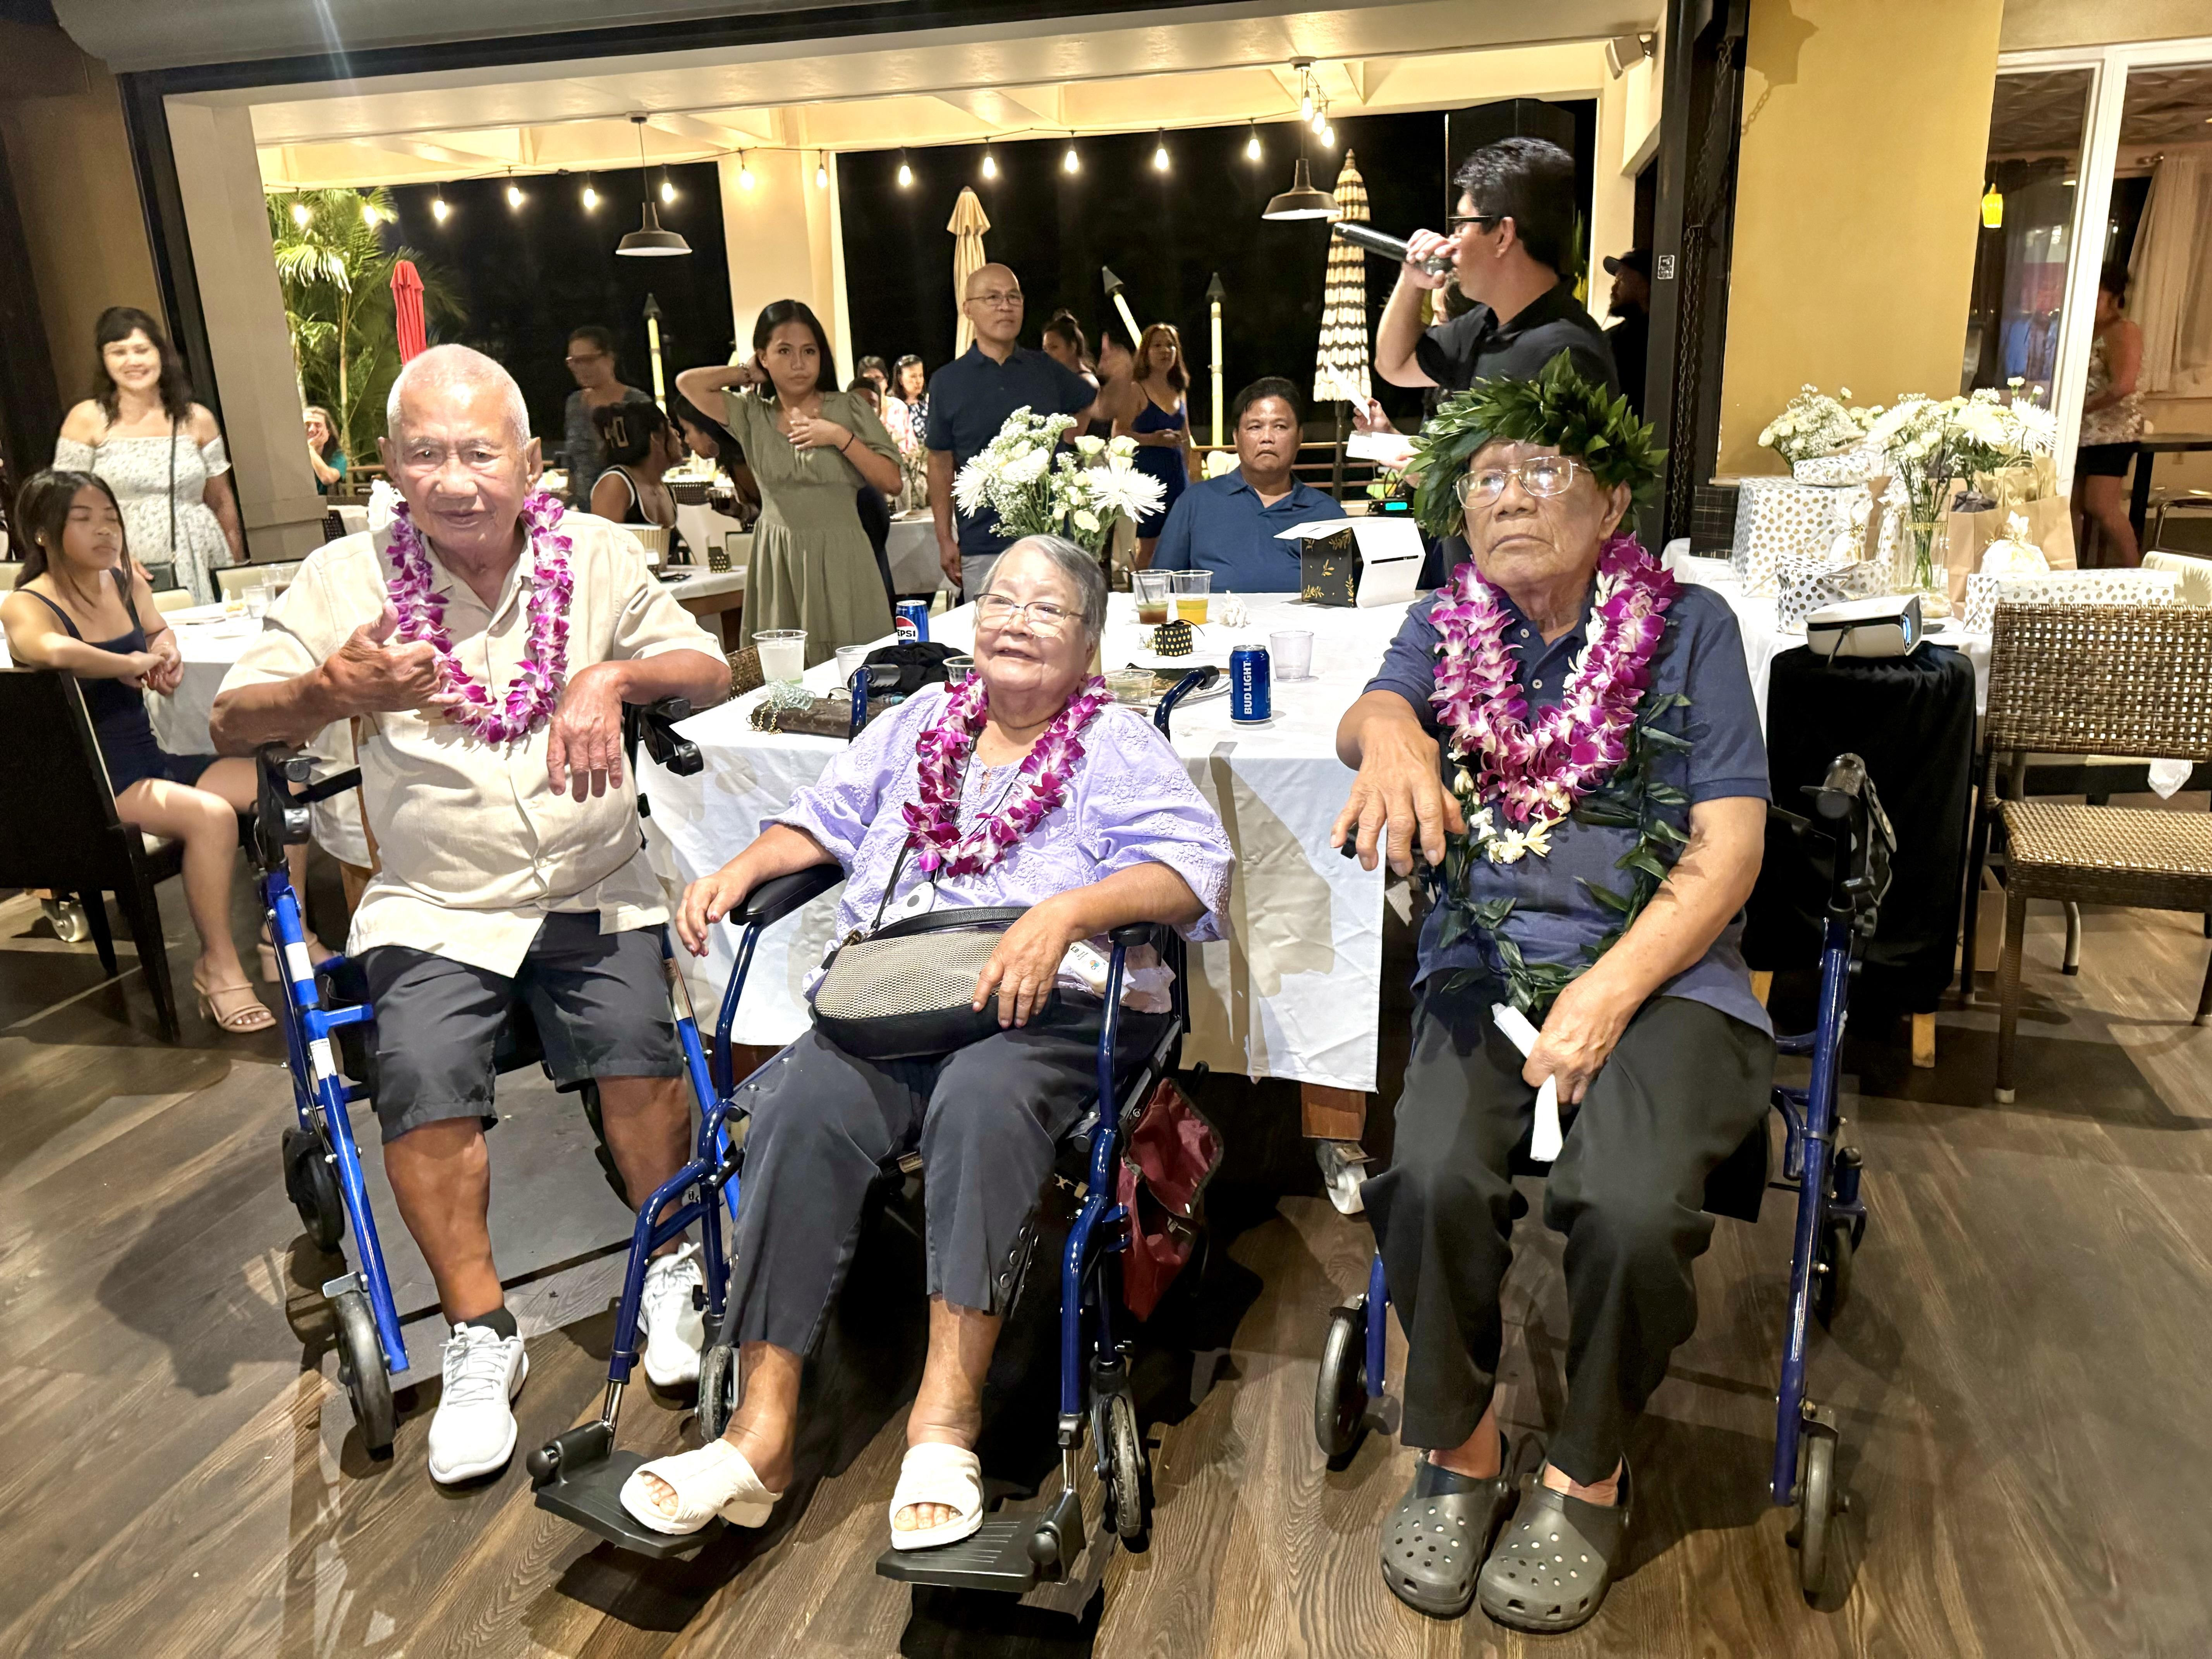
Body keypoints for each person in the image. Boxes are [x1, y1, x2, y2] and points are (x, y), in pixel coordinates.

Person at [617, 534, 1233, 1543]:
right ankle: (759, 1432)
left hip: (1052, 996)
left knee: (981, 1098)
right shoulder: (916, 724)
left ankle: (944, 1421)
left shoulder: (1114, 742)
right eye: (999, 600)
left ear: (1091, 647)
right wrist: (741, 868)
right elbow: (824, 821)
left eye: (1047, 610)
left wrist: (1067, 910)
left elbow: (1192, 873)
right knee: (803, 1102)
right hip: (902, 986)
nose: (1016, 621)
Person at [208, 345, 732, 1486]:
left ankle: (671, 1264)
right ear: (391, 467)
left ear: (529, 460)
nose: (454, 476)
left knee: (641, 1053)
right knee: (420, 1076)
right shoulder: (347, 579)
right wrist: (327, 694)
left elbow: (708, 663)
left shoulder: (592, 557)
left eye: (479, 450)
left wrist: (609, 681)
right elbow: (230, 715)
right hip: (436, 903)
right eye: (426, 453)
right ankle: (479, 1332)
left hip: (593, 880)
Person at [1331, 354, 1771, 1633]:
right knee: (1422, 1173)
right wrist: (1399, 732)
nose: (1508, 500)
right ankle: (1461, 1448)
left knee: (1627, 1212)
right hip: (1484, 958)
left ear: (1614, 502)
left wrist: (1614, 987)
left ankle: (1586, 1468)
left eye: (1541, 471)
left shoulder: (1688, 628)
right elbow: (1371, 709)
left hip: (1668, 973)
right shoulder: (1449, 618)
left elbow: (1729, 846)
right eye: (1482, 480)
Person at [2, 469, 277, 1033]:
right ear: (43, 533)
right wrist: (126, 665)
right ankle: (218, 968)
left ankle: (282, 939)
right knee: (212, 817)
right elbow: (48, 649)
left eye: (110, 518)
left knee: (282, 783)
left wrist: (165, 651)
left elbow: (156, 631)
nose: (105, 531)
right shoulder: (26, 603)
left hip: (149, 761)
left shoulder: (123, 581)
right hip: (99, 782)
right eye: (83, 519)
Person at [675, 300, 902, 665]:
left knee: (859, 676)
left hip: (844, 556)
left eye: (809, 351)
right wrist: (745, 374)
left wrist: (839, 436)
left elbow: (892, 481)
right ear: (763, 357)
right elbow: (688, 384)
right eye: (785, 351)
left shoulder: (848, 409)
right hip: (779, 559)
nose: (799, 363)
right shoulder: (752, 414)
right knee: (785, 685)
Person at [1375, 139, 1618, 403]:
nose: (1451, 241)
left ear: (1503, 236)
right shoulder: (1482, 326)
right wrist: (1410, 282)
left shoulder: (1568, 355)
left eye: (1460, 225)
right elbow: (1393, 366)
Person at [924, 263, 1113, 595]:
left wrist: (1123, 377)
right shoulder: (947, 381)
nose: (1005, 305)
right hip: (983, 541)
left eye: (1014, 297)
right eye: (993, 297)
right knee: (993, 636)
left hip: (1053, 536)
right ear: (967, 308)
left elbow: (1100, 408)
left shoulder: (1046, 370)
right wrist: (944, 538)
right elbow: (940, 462)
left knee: (1058, 631)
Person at [55, 306, 246, 605]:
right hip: (118, 564)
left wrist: (236, 570)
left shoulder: (197, 419)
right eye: (118, 352)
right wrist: (109, 554)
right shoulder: (86, 419)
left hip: (201, 554)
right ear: (104, 360)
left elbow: (221, 501)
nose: (132, 361)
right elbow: (63, 504)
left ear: (160, 354)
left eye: (141, 350)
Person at [1150, 376, 1337, 589]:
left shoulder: (1327, 514)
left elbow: (1343, 602)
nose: (1267, 438)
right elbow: (1160, 589)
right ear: (1237, 438)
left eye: (1280, 427)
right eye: (1255, 427)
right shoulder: (1196, 503)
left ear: (1299, 437)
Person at [2073, 263, 2143, 568]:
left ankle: (2137, 574)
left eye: (2097, 293)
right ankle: (2068, 571)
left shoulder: (2123, 330)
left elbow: (2123, 385)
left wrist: (2083, 407)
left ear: (2114, 296)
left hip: (2112, 433)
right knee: (2068, 505)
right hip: (2079, 433)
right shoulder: (2083, 330)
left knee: (2101, 505)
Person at [1119, 322, 1192, 569]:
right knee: (1149, 545)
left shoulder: (1179, 390)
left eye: (1170, 345)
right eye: (1158, 345)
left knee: (1179, 542)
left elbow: (1186, 437)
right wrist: (1154, 440)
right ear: (1146, 352)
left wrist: (1192, 477)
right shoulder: (1135, 389)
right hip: (1148, 474)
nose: (1165, 351)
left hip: (1177, 474)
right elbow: (1119, 434)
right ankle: (1139, 599)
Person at [587, 400, 691, 564]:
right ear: (655, 437)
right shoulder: (616, 483)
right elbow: (602, 555)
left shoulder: (664, 488)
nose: (677, 434)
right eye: (670, 427)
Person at [560, 325, 651, 509]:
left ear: (610, 359)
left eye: (588, 361)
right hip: (586, 509)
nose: (581, 368)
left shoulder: (635, 402)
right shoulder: (575, 404)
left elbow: (651, 461)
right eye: (574, 362)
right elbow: (574, 462)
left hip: (627, 508)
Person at [1601, 249, 1652, 418]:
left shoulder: (1620, 341)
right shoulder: (1612, 337)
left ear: (1645, 286)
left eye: (1621, 280)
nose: (1613, 288)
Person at [304, 405, 350, 495]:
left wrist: (310, 449)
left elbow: (327, 478)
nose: (312, 430)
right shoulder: (291, 454)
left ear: (328, 432)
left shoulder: (338, 457)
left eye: (318, 425)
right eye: (307, 425)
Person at [893, 354, 929, 438]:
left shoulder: (930, 401)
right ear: (900, 379)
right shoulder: (892, 405)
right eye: (913, 377)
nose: (918, 381)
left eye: (921, 376)